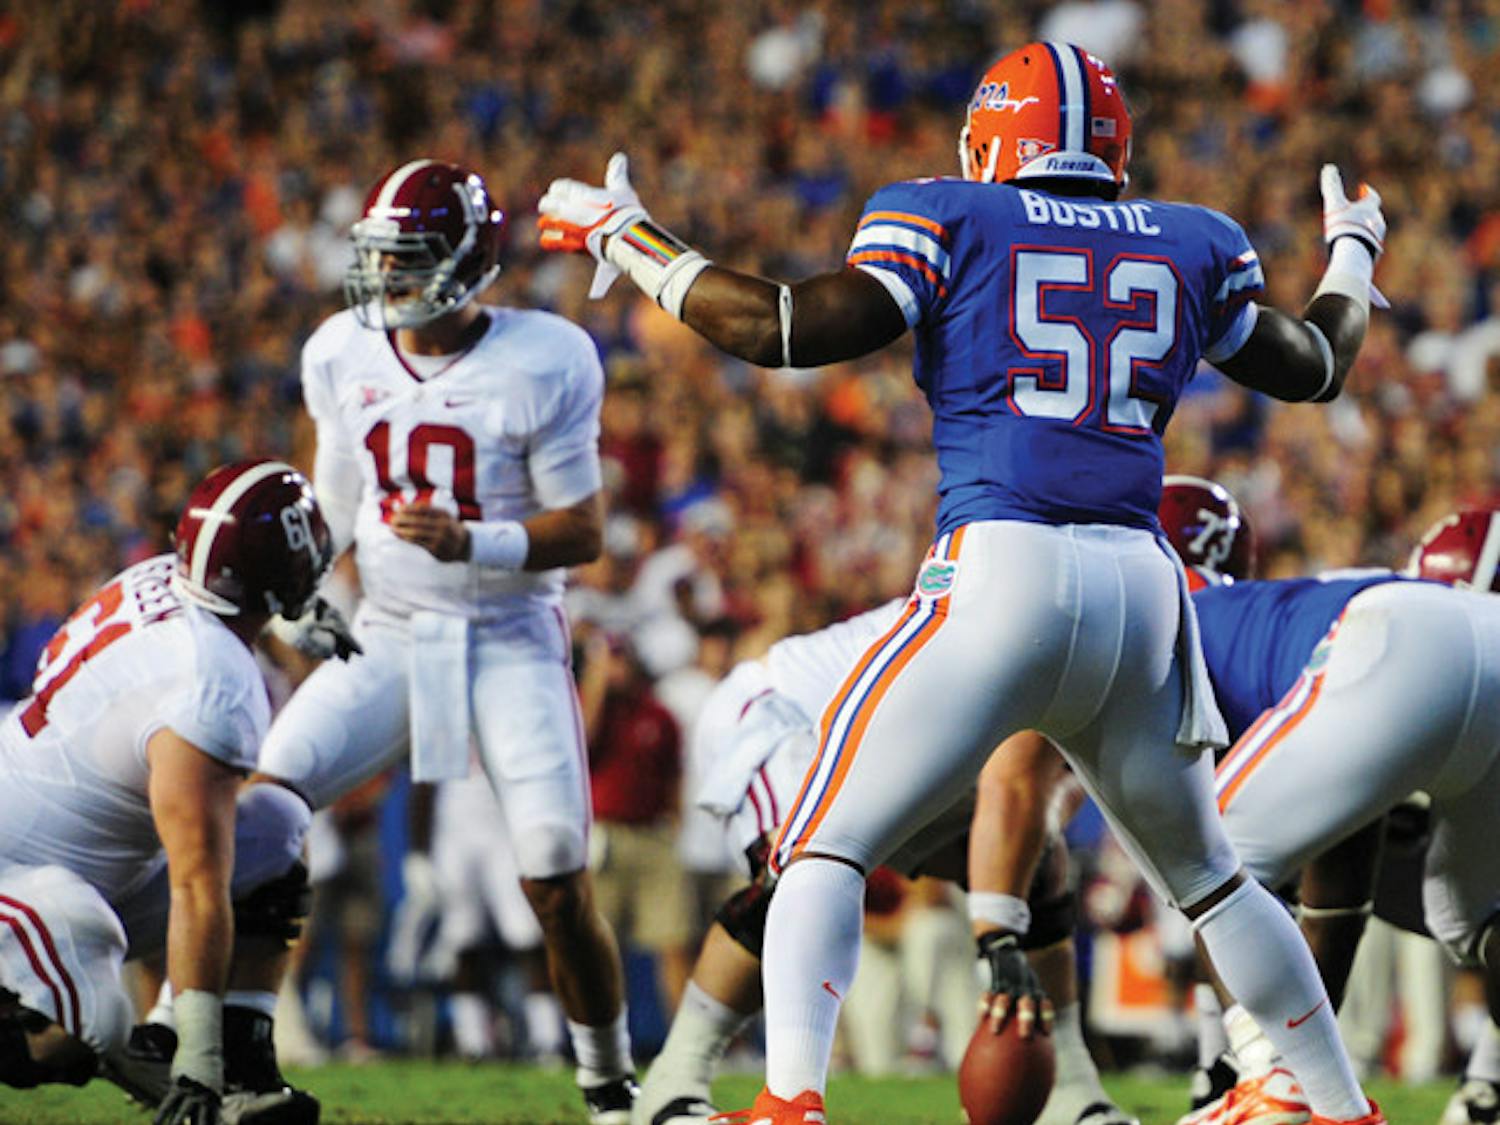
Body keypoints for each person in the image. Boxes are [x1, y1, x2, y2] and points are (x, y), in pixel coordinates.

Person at [539, 40, 1388, 1125]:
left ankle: (791, 1097)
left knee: (823, 840)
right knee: (1213, 876)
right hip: (1142, 582)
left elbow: (785, 329)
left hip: (1004, 566)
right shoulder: (1192, 240)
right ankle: (1335, 1099)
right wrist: (1354, 251)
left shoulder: (953, 215)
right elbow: (1318, 365)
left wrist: (634, 239)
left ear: (992, 135)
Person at [249, 159, 637, 1124]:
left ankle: (609, 1082)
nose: (385, 284)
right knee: (263, 804)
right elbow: (331, 504)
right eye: (380, 261)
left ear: (467, 264)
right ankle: (232, 1041)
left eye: (408, 262)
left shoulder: (544, 357)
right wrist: (297, 595)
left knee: (551, 867)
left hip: (508, 633)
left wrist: (478, 541)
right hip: (389, 627)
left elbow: (582, 530)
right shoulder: (341, 350)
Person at [636, 598, 1136, 1125]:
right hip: (792, 710)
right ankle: (679, 1082)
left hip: (901, 747)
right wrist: (997, 934)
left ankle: (1071, 1089)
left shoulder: (1091, 619)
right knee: (794, 874)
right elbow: (1014, 782)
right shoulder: (1046, 624)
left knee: (1037, 864)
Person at [0, 459, 332, 1125]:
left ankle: (244, 1056)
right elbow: (197, 886)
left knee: (275, 826)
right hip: (19, 870)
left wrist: (298, 617)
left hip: (85, 861)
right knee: (85, 1015)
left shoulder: (166, 579)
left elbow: (241, 598)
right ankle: (195, 1072)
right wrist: (194, 1068)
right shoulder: (210, 679)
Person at [1165, 507, 1500, 1125]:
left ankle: (1272, 1080)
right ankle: (1302, 1088)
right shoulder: (1266, 615)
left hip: (1398, 640)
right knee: (1474, 914)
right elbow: (1339, 884)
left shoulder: (1165, 627)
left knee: (1204, 856)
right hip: (1468, 634)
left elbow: (1211, 864)